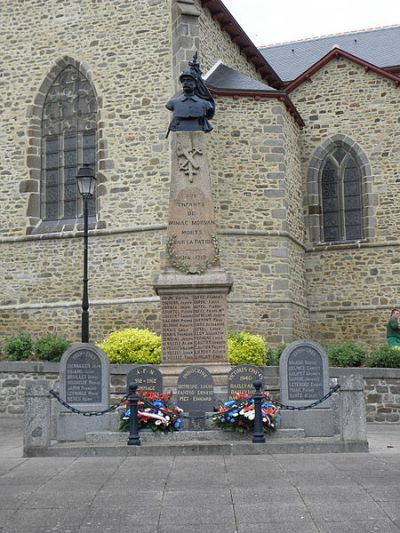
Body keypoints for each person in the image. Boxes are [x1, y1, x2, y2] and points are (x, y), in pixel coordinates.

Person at [166, 53, 215, 136]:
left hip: (198, 127)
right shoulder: (172, 103)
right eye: (183, 81)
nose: (185, 83)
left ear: (195, 84)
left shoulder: (205, 104)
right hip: (179, 127)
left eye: (189, 80)